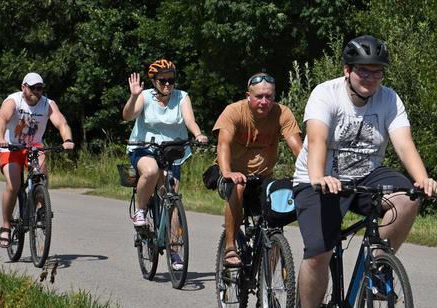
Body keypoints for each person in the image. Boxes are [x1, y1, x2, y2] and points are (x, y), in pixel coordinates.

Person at [292, 35, 437, 308]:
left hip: (365, 176)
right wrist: (318, 175)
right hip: (318, 179)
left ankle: (379, 263)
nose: (371, 79)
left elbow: (403, 143)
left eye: (378, 72)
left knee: (408, 196)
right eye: (364, 72)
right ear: (347, 70)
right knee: (319, 252)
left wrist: (422, 178)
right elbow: (316, 139)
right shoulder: (325, 94)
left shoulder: (389, 99)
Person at [122, 59, 207, 270]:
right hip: (143, 148)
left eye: (171, 80)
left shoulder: (182, 97)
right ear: (154, 81)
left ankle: (175, 251)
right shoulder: (144, 96)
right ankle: (140, 211)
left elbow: (190, 120)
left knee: (172, 197)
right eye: (163, 80)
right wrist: (133, 96)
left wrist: (198, 134)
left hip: (172, 150)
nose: (168, 84)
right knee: (150, 171)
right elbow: (127, 116)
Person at [213, 72, 303, 267]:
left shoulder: (282, 113)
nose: (264, 101)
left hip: (262, 177)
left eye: (269, 96)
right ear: (248, 96)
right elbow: (223, 145)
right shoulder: (234, 111)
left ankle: (269, 275)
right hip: (231, 173)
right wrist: (227, 172)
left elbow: (297, 148)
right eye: (259, 96)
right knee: (237, 187)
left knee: (277, 206)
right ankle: (230, 248)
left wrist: (312, 172)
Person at [0, 72, 75, 248]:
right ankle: (6, 226)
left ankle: (40, 208)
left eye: (40, 88)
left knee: (42, 175)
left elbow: (61, 123)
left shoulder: (47, 104)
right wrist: (0, 137)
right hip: (11, 147)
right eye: (33, 88)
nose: (36, 92)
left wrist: (67, 140)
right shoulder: (14, 100)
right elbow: (2, 119)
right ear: (24, 87)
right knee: (14, 185)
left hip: (33, 146)